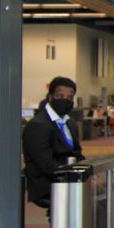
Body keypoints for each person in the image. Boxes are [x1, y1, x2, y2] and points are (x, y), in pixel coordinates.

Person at [22, 76, 84, 206]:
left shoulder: (70, 123)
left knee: (102, 194)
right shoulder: (38, 125)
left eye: (69, 98)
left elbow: (77, 153)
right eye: (60, 96)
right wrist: (72, 178)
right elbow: (45, 164)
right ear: (50, 97)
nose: (65, 101)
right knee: (88, 199)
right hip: (47, 184)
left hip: (68, 178)